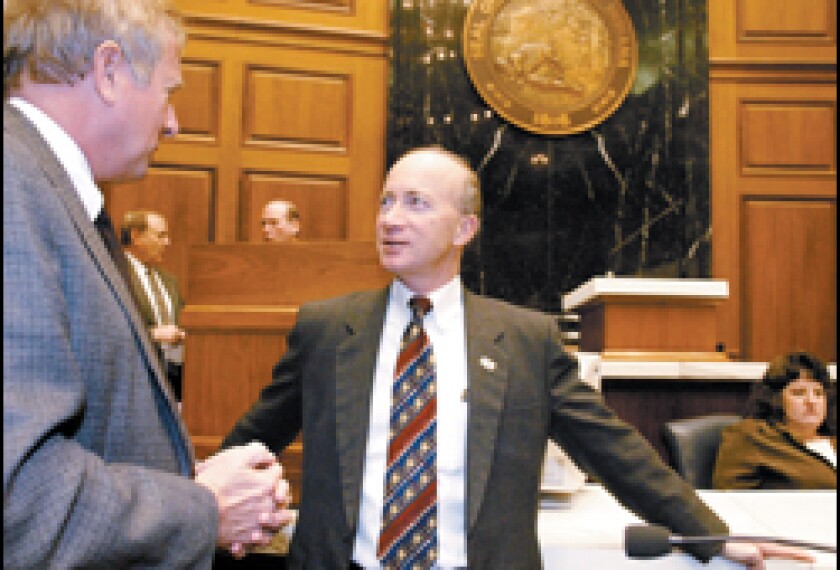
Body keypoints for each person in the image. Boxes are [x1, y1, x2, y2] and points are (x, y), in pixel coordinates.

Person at [222, 146, 811, 569]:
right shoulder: (326, 329)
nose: (391, 219)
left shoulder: (526, 340)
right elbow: (251, 441)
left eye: (416, 203)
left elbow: (613, 449)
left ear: (465, 229)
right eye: (387, 202)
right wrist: (197, 510)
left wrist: (711, 534)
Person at [3, 1, 293, 566]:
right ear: (109, 70)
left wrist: (185, 480)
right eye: (168, 90)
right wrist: (202, 508)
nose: (173, 122)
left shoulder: (44, 190)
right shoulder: (14, 190)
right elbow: (24, 502)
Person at [713, 351, 837, 490]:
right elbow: (729, 495)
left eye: (818, 393)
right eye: (799, 393)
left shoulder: (832, 439)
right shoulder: (752, 435)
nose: (811, 401)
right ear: (775, 398)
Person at [121, 209, 186, 400]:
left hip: (173, 380)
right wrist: (152, 334)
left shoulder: (169, 280)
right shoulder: (117, 276)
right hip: (135, 380)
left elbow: (182, 319)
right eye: (160, 235)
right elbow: (108, 328)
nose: (167, 242)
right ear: (136, 236)